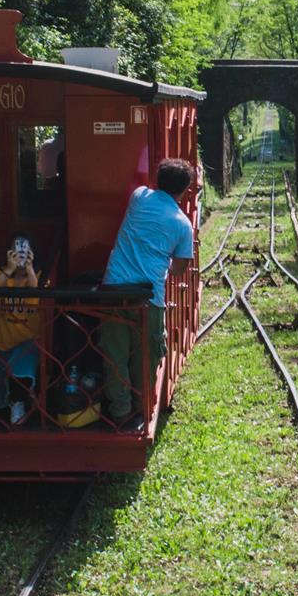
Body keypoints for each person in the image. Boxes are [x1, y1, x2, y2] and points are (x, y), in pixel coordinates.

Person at [99, 158, 195, 429]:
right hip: (149, 297)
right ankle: (141, 410)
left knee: (115, 354)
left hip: (113, 290)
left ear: (157, 180)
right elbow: (177, 271)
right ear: (185, 190)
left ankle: (120, 412)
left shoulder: (139, 197)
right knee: (146, 355)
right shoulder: (182, 224)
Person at [0, 235, 41, 425]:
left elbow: (33, 301)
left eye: (25, 251)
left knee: (21, 368)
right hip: (0, 341)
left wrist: (30, 271)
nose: (21, 255)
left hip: (28, 341)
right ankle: (1, 407)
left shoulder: (38, 276)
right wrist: (9, 270)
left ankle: (20, 401)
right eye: (16, 251)